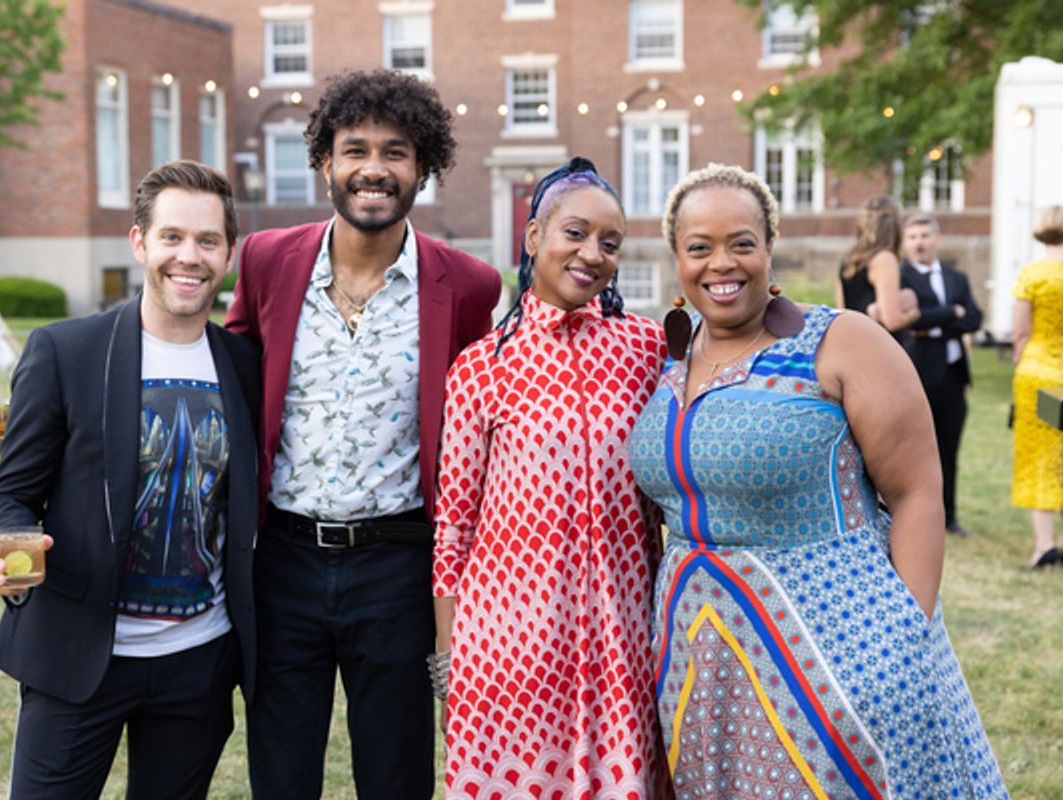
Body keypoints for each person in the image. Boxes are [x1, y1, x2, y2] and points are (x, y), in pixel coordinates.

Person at [629, 163, 1008, 797]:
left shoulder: (840, 341)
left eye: (742, 243)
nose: (721, 263)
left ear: (769, 247)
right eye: (700, 247)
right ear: (677, 258)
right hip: (705, 662)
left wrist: (903, 643)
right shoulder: (666, 359)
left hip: (841, 650)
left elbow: (917, 493)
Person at [225, 69, 501, 799]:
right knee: (281, 777)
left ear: (423, 169)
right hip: (282, 561)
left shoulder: (469, 284)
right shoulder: (265, 261)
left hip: (398, 569)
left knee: (397, 776)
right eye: (355, 150)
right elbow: (227, 379)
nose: (374, 168)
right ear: (326, 162)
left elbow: (479, 419)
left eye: (397, 151)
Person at [0, 161, 260, 798]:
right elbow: (14, 491)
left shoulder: (245, 364)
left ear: (229, 254)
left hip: (200, 660)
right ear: (139, 242)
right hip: (80, 655)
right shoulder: (64, 352)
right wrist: (12, 550)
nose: (189, 256)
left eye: (208, 241)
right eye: (171, 237)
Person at [432, 158, 669, 797]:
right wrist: (452, 665)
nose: (592, 253)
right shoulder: (483, 366)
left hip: (620, 639)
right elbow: (453, 527)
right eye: (575, 233)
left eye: (610, 242)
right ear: (534, 237)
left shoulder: (648, 351)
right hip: (510, 647)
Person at [900, 213, 984, 537]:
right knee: (918, 451)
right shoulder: (901, 277)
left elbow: (975, 318)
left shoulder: (956, 278)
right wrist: (951, 313)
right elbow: (910, 321)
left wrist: (935, 320)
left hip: (953, 373)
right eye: (913, 237)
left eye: (924, 235)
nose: (919, 242)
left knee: (950, 448)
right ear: (906, 243)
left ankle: (949, 516)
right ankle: (915, 517)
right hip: (919, 372)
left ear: (936, 239)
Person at [1011, 205, 1063, 568]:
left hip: (1040, 376)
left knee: (1040, 455)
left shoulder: (1032, 274)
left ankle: (1044, 543)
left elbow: (1020, 331)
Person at [837, 195, 919, 332]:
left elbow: (841, 312)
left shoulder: (849, 259)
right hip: (881, 346)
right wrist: (914, 312)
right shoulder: (884, 259)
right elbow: (892, 321)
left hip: (855, 339)